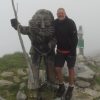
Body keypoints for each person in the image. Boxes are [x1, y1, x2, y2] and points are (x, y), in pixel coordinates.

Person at [10, 9, 56, 94]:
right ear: (34, 20)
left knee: (50, 67)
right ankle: (34, 85)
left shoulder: (53, 30)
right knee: (34, 67)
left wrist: (49, 45)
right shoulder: (31, 29)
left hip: (49, 51)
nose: (42, 25)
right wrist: (16, 25)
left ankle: (51, 83)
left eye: (45, 21)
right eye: (39, 21)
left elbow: (55, 39)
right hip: (35, 50)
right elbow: (23, 29)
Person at [54, 8, 78, 100]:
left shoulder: (71, 23)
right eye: (59, 13)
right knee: (57, 68)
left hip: (70, 52)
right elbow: (51, 33)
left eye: (62, 13)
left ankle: (71, 87)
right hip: (60, 51)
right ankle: (61, 86)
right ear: (57, 14)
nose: (60, 14)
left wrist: (72, 52)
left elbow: (75, 38)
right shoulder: (55, 23)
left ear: (65, 13)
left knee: (70, 69)